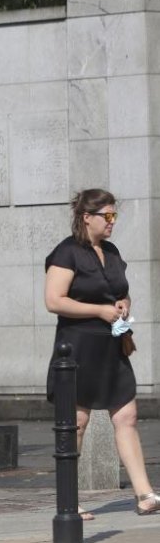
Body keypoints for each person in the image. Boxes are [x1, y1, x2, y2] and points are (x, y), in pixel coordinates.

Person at [44, 189, 158, 517]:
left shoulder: (111, 251)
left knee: (127, 416)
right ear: (86, 218)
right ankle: (68, 500)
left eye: (114, 216)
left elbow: (121, 292)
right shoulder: (67, 252)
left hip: (111, 345)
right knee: (76, 422)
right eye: (106, 216)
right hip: (78, 346)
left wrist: (123, 305)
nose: (111, 223)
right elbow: (54, 300)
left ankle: (145, 494)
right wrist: (99, 311)